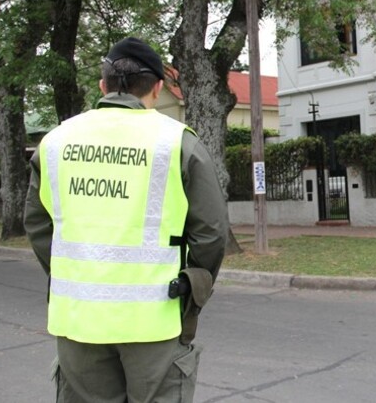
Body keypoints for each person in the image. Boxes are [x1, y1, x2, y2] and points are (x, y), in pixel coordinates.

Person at [24, 37, 228, 402]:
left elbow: (38, 225)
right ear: (157, 88)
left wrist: (71, 276)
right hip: (155, 318)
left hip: (78, 319)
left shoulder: (54, 142)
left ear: (102, 85)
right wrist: (192, 289)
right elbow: (210, 233)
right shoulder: (178, 143)